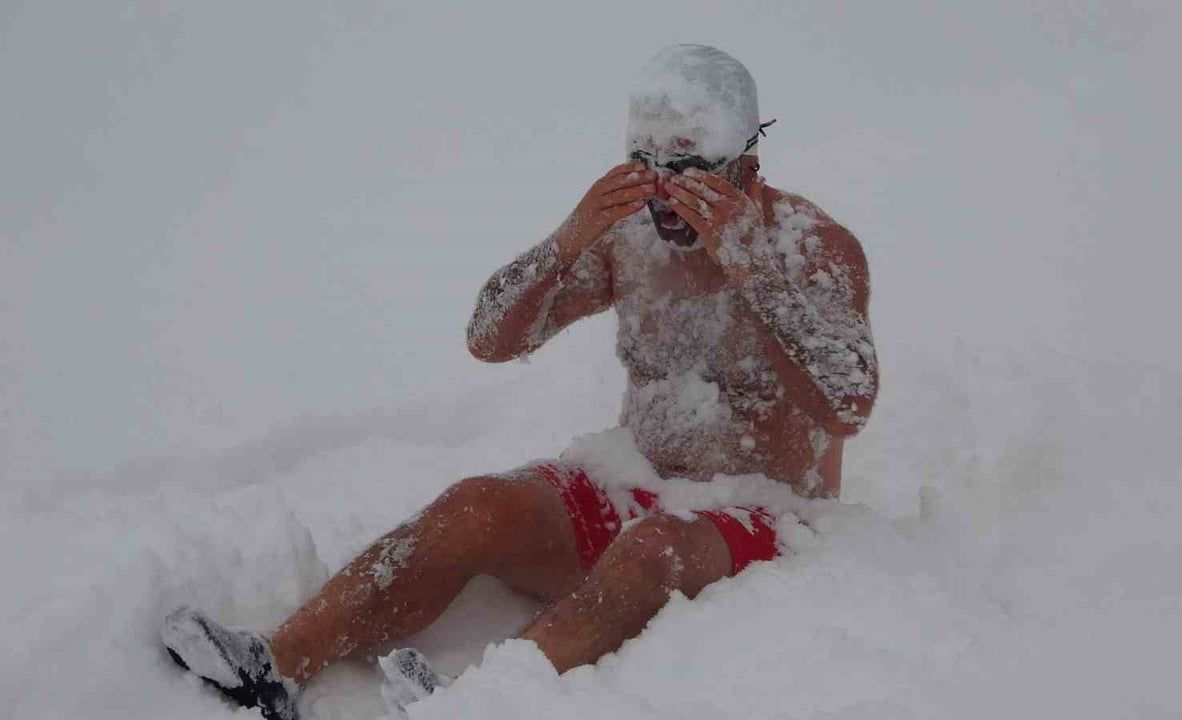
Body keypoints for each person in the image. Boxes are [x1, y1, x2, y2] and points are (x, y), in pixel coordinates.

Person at [161, 44, 877, 720]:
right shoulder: (629, 239)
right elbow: (490, 340)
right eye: (644, 163)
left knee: (654, 546)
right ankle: (275, 665)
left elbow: (849, 405)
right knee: (478, 506)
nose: (662, 193)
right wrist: (569, 237)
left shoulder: (810, 246)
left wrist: (752, 265)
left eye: (686, 169)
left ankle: (484, 703)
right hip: (636, 491)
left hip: (765, 517)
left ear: (744, 166)